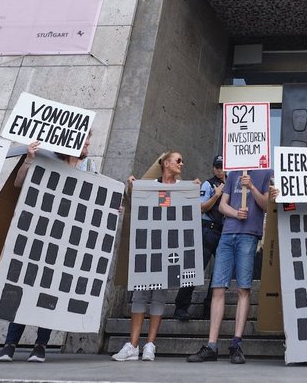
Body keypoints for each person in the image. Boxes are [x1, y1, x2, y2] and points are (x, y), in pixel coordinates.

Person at [0, 134, 95, 363]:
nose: (88, 144)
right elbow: (20, 183)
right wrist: (29, 159)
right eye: (84, 140)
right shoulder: (47, 161)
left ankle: (40, 345)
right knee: (23, 286)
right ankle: (10, 344)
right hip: (39, 233)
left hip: (67, 238)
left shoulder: (90, 166)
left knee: (51, 290)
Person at [186, 167, 278, 364]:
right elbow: (222, 206)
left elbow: (266, 205)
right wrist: (236, 214)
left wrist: (251, 186)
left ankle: (236, 343)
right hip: (227, 234)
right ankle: (212, 344)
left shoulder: (265, 173)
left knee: (243, 288)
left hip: (249, 235)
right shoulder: (234, 172)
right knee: (218, 288)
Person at [113, 151, 193, 361]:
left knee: (159, 296)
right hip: (147, 246)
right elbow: (136, 205)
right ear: (166, 163)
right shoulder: (148, 185)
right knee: (140, 295)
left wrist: (193, 192)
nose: (181, 164)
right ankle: (132, 345)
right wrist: (132, 186)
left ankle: (150, 345)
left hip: (169, 249)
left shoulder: (181, 188)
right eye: (178, 160)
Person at [173, 155, 227, 321]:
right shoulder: (208, 184)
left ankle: (210, 309)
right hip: (206, 230)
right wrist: (216, 196)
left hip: (224, 232)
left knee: (219, 275)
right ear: (213, 168)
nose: (219, 169)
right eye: (217, 166)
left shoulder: (233, 184)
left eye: (222, 166)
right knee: (194, 270)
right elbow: (201, 208)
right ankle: (181, 307)